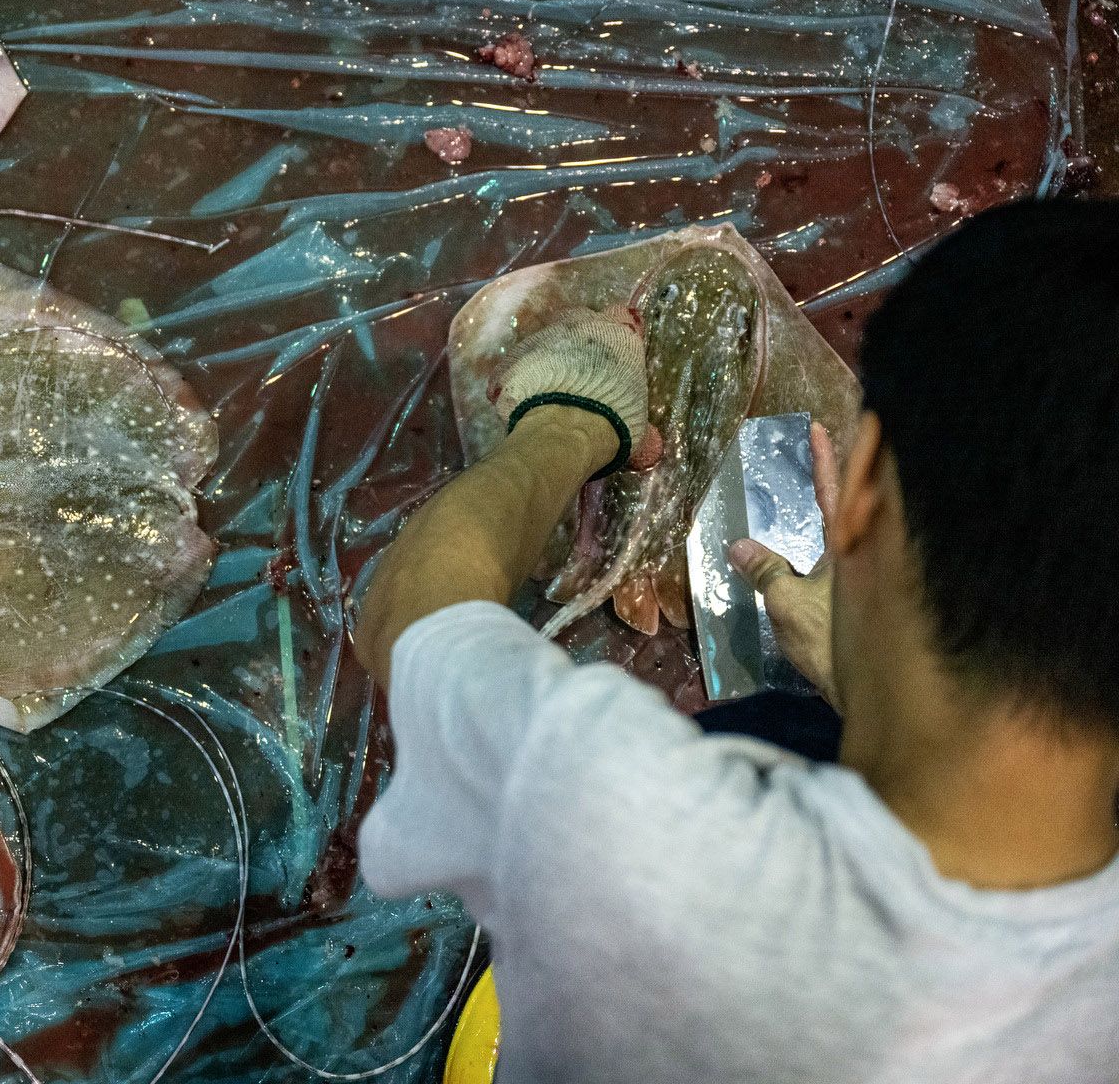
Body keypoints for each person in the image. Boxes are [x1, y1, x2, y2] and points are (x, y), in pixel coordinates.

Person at [354, 201, 1119, 1082]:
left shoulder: (615, 827)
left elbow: (408, 616)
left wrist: (570, 418)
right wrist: (847, 678)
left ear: (861, 482)